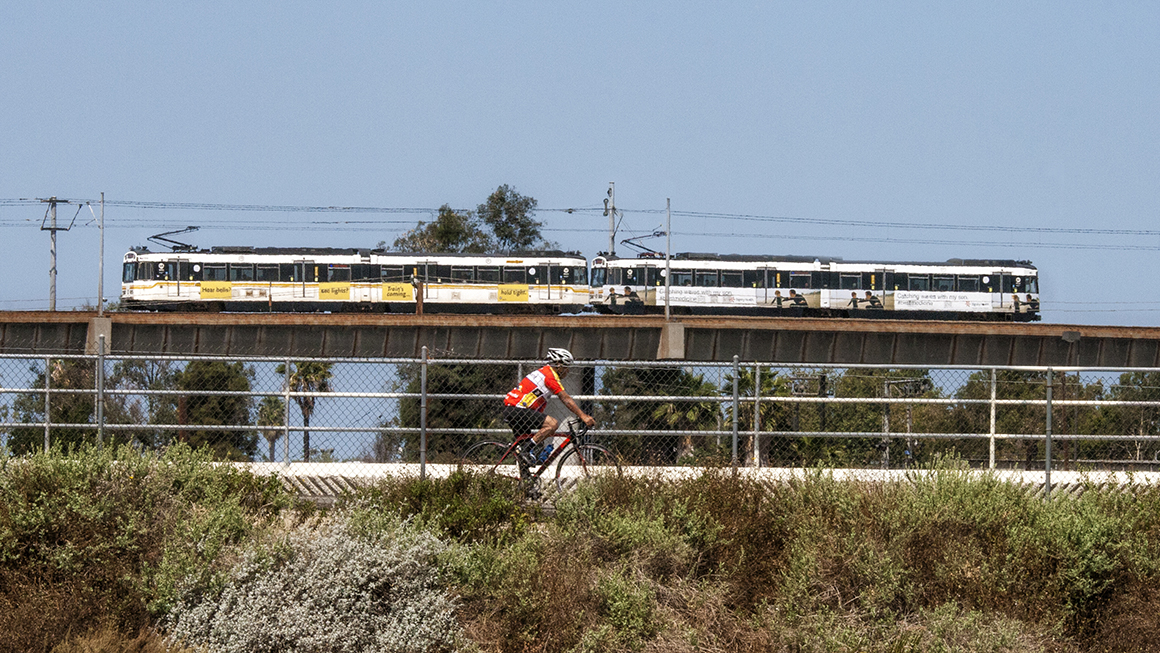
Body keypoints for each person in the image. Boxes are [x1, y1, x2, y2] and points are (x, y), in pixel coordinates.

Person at [502, 347, 596, 468]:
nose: (567, 371)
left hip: (515, 410)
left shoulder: (544, 372)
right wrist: (583, 416)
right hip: (517, 410)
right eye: (566, 367)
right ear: (558, 365)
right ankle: (526, 449)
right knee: (552, 424)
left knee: (526, 458)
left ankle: (525, 483)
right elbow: (566, 399)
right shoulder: (549, 376)